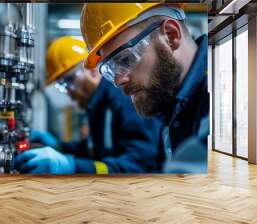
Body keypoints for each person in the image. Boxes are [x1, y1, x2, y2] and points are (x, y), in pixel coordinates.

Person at [80, 3, 209, 173]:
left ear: (171, 36)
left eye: (126, 59)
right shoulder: (171, 109)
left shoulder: (215, 100)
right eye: (111, 70)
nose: (118, 80)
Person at [15, 36, 162, 174]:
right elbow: (94, 149)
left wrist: (71, 165)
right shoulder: (99, 105)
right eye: (62, 86)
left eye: (69, 81)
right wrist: (58, 146)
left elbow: (139, 166)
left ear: (92, 70)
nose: (68, 92)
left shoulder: (124, 99)